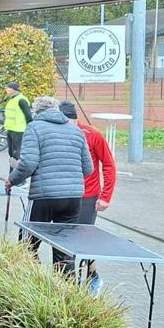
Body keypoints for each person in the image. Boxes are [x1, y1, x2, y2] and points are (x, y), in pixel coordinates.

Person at [6, 96, 93, 270]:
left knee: (27, 245)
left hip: (43, 196)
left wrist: (12, 180)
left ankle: (26, 279)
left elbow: (28, 164)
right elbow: (88, 168)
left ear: (36, 111)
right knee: (64, 248)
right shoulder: (76, 131)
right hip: (72, 198)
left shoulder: (34, 128)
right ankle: (65, 284)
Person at [60, 100, 116, 294]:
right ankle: (69, 285)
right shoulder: (57, 133)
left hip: (88, 196)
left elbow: (108, 164)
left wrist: (106, 196)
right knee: (65, 241)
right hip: (64, 195)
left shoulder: (93, 134)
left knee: (83, 241)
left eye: (71, 124)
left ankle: (92, 277)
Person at [3, 80, 33, 164]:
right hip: (11, 129)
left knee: (17, 153)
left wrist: (30, 128)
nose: (6, 90)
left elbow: (28, 115)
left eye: (8, 88)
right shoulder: (12, 99)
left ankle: (17, 170)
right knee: (11, 153)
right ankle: (12, 170)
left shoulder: (21, 100)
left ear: (13, 89)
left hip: (19, 130)